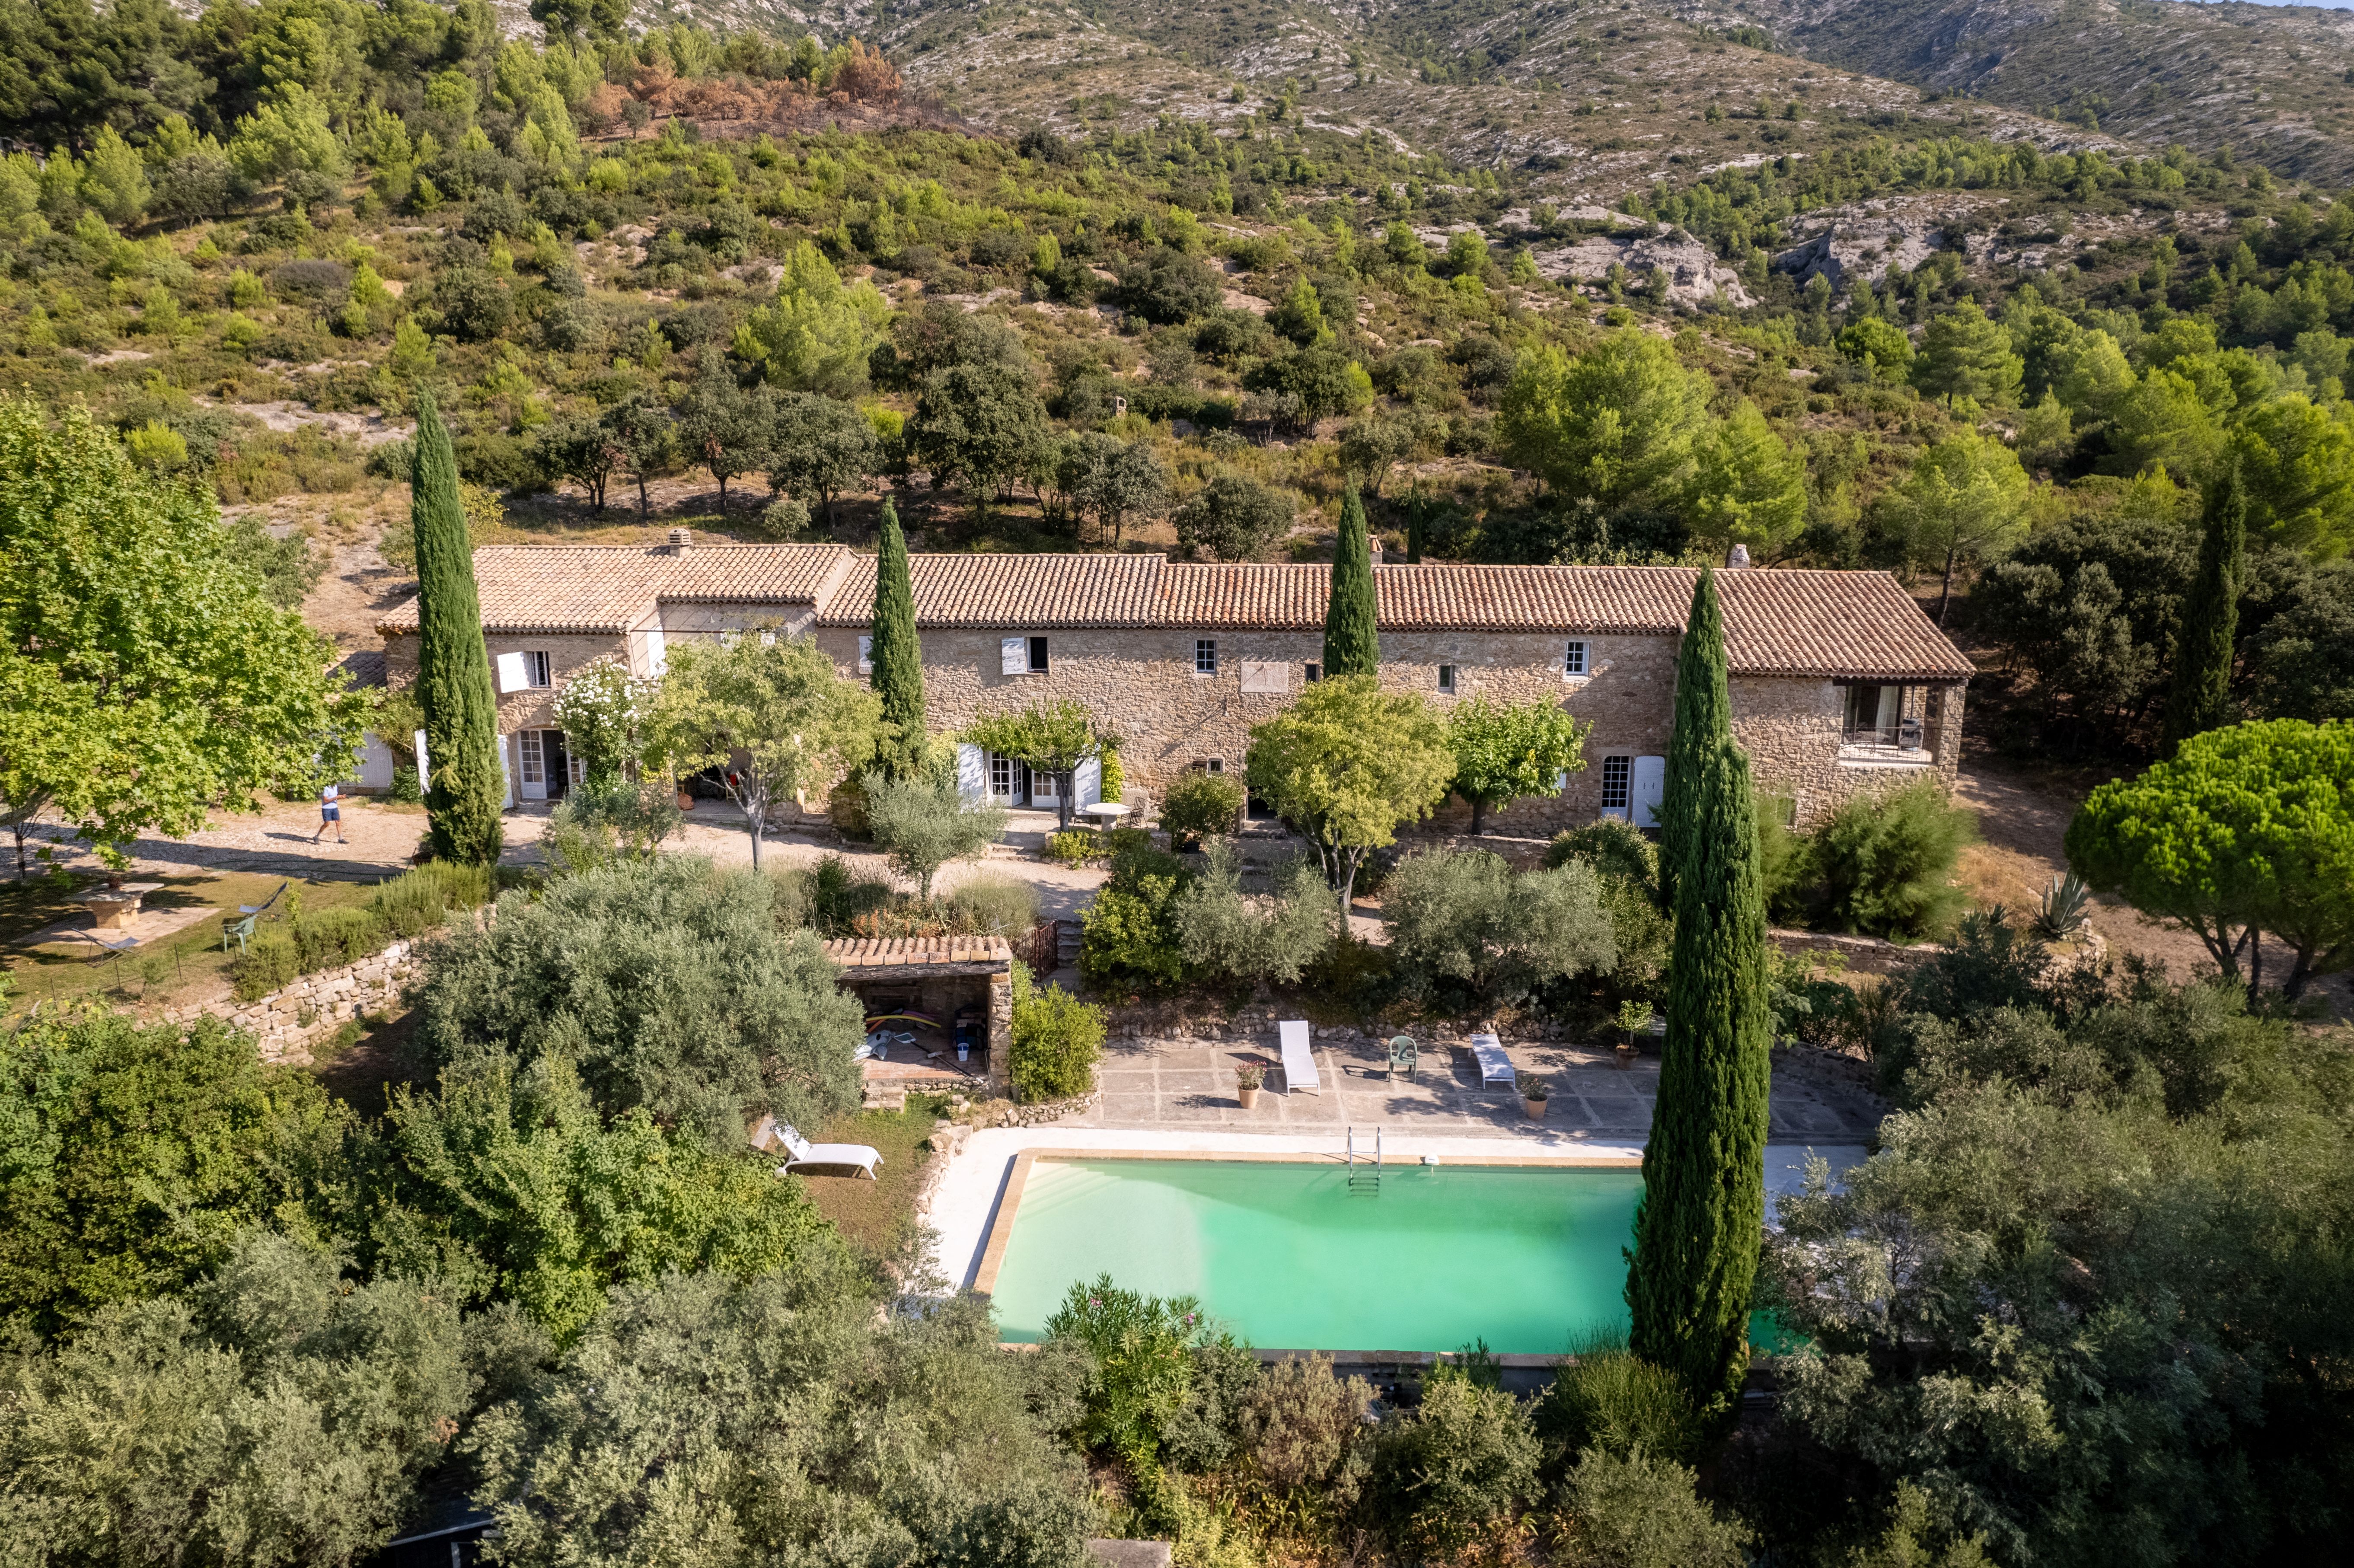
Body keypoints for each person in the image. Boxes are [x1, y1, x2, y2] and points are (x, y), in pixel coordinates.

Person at [313, 780, 345, 844]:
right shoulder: (326, 789)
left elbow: (334, 798)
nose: (337, 781)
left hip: (335, 807)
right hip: (327, 808)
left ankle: (341, 839)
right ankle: (317, 836)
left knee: (338, 822)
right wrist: (336, 797)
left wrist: (340, 797)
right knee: (327, 824)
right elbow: (326, 801)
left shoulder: (336, 787)